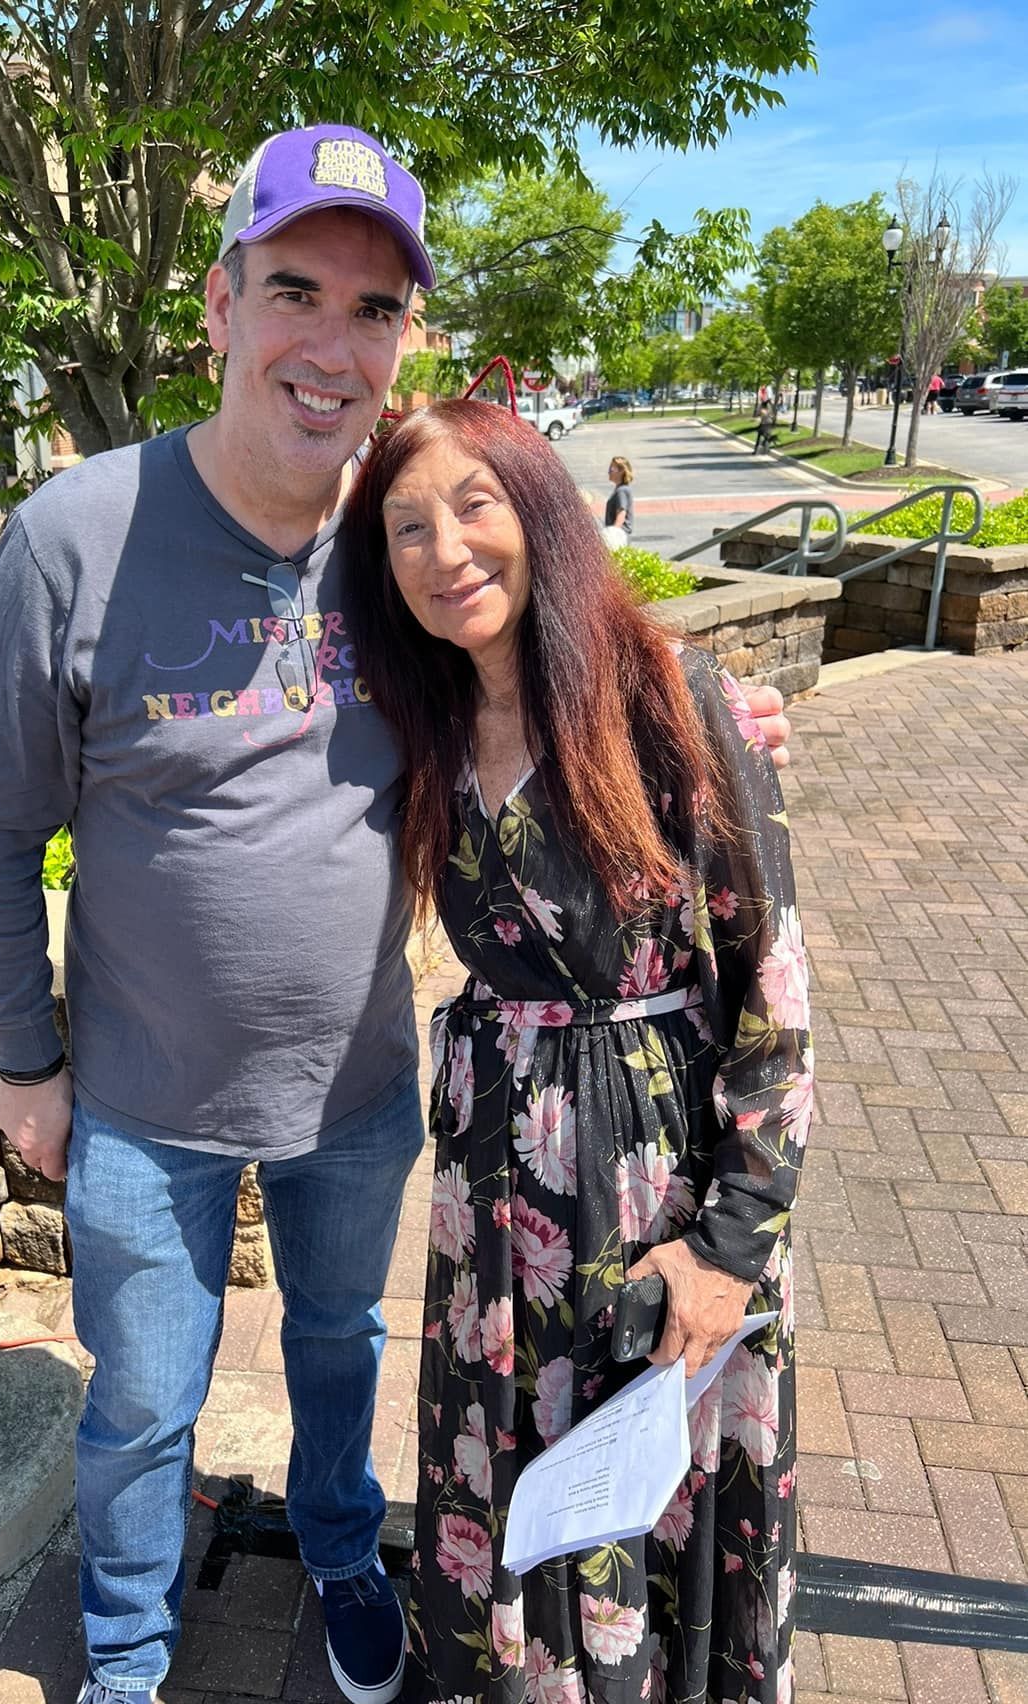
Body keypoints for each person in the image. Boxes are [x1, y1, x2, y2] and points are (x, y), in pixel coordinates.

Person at [0, 123, 792, 1704]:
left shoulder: (401, 536)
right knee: (138, 1401)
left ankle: (340, 1556)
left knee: (340, 1344)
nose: (332, 344)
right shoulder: (77, 535)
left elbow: (554, 633)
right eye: (296, 290)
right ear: (218, 305)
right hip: (138, 1096)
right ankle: (127, 1650)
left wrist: (702, 706)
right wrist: (25, 1059)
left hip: (359, 1096)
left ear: (405, 342)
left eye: (376, 308)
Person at [342, 399, 809, 1704]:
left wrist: (731, 1255)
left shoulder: (672, 703)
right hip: (490, 1197)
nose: (445, 551)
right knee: (511, 1483)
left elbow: (778, 1006)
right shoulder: (425, 729)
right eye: (406, 527)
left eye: (474, 506)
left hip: (652, 1197)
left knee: (638, 1497)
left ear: (542, 507)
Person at [599, 456, 634, 551]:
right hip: (621, 535)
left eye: (612, 469)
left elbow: (621, 514)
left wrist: (612, 535)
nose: (609, 471)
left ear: (622, 471)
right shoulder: (621, 489)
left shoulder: (621, 491)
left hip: (619, 537)